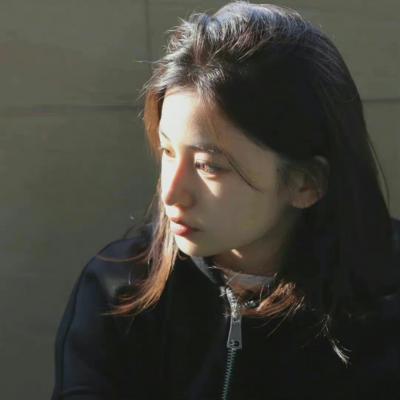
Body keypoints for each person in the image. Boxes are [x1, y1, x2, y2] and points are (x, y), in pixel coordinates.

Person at [51, 1, 400, 399]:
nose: (171, 192)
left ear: (306, 183)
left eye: (208, 166)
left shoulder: (386, 302)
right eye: (168, 151)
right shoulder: (118, 289)